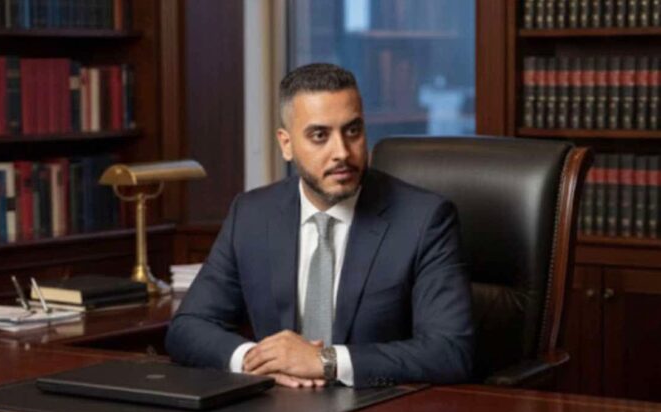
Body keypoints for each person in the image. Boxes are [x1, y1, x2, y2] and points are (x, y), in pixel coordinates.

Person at [165, 63, 474, 389]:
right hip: (278, 405)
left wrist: (325, 361)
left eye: (352, 131)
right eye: (319, 136)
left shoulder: (424, 220)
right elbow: (187, 327)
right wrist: (257, 360)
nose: (342, 152)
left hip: (377, 408)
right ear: (286, 144)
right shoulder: (252, 214)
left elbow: (450, 351)